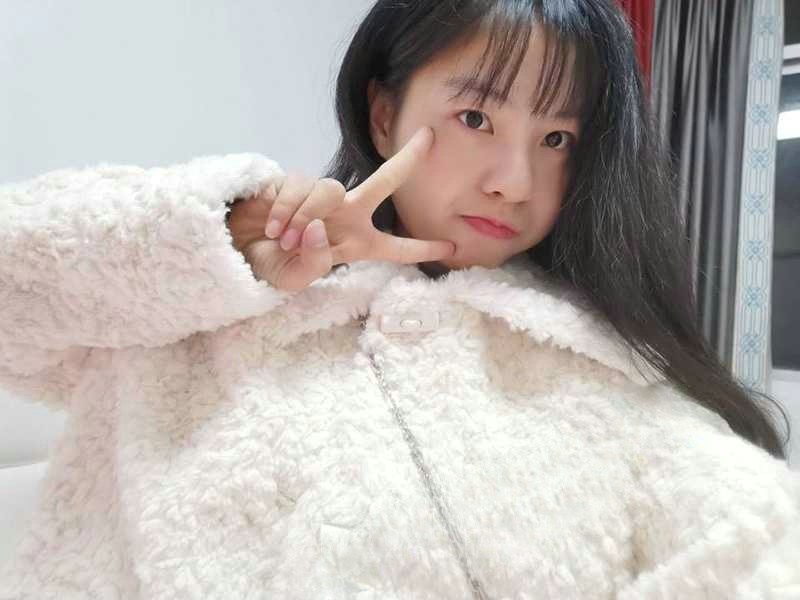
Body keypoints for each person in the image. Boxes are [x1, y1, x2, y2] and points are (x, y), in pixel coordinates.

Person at [1, 0, 798, 598]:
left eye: (556, 139)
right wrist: (231, 238)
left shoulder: (601, 370)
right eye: (476, 116)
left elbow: (753, 537)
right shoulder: (195, 309)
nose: (514, 181)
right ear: (384, 114)